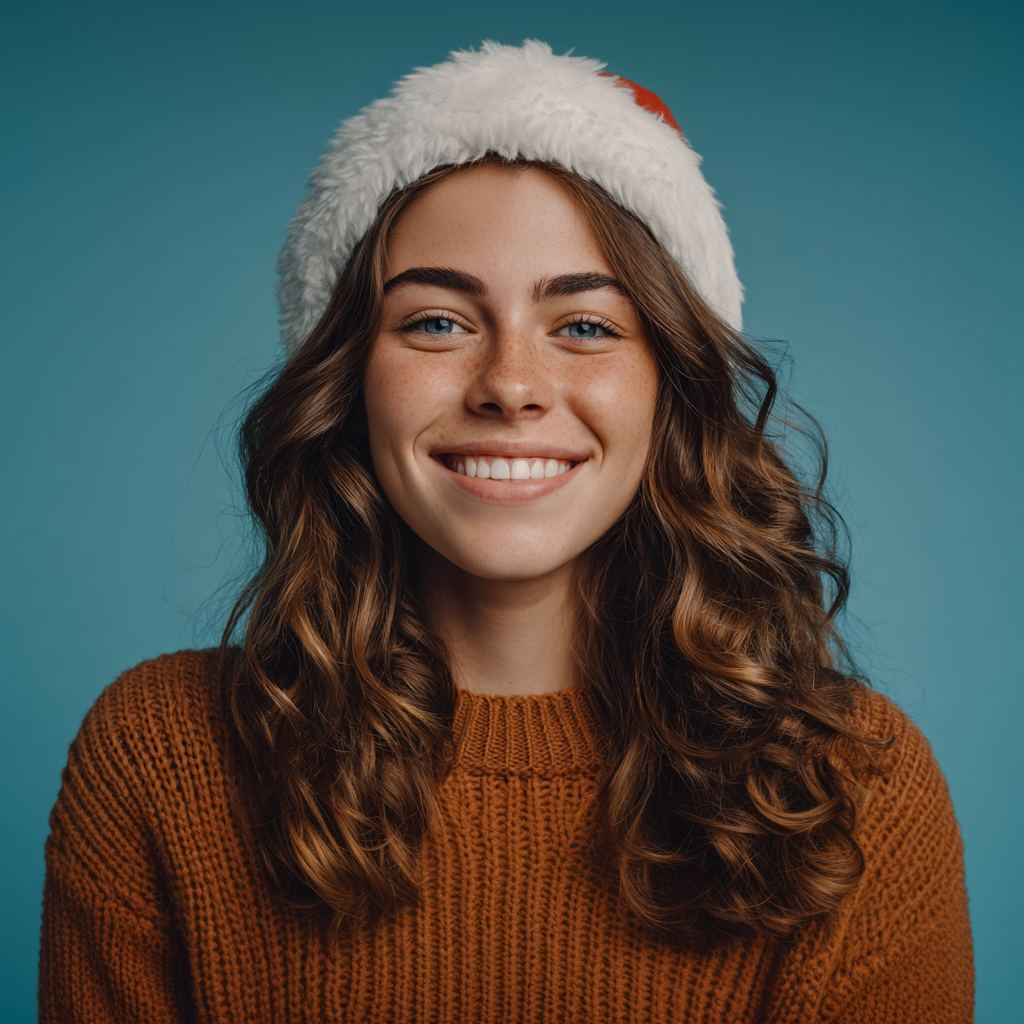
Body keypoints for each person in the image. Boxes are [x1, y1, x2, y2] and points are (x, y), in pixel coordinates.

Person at [38, 40, 973, 1023]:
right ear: (347, 381)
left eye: (586, 326)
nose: (511, 387)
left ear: (672, 388)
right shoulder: (160, 755)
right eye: (438, 322)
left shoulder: (857, 789)